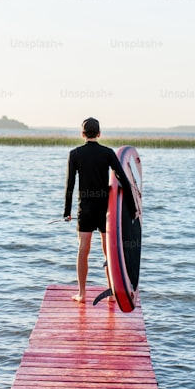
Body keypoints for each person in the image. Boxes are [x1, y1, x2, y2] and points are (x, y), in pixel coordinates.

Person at [63, 117, 132, 303]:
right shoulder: (108, 153)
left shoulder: (75, 154)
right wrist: (132, 208)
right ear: (99, 133)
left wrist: (66, 211)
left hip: (85, 210)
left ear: (82, 134)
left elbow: (70, 185)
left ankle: (82, 293)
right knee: (108, 251)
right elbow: (124, 181)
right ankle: (111, 292)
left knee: (83, 249)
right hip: (105, 211)